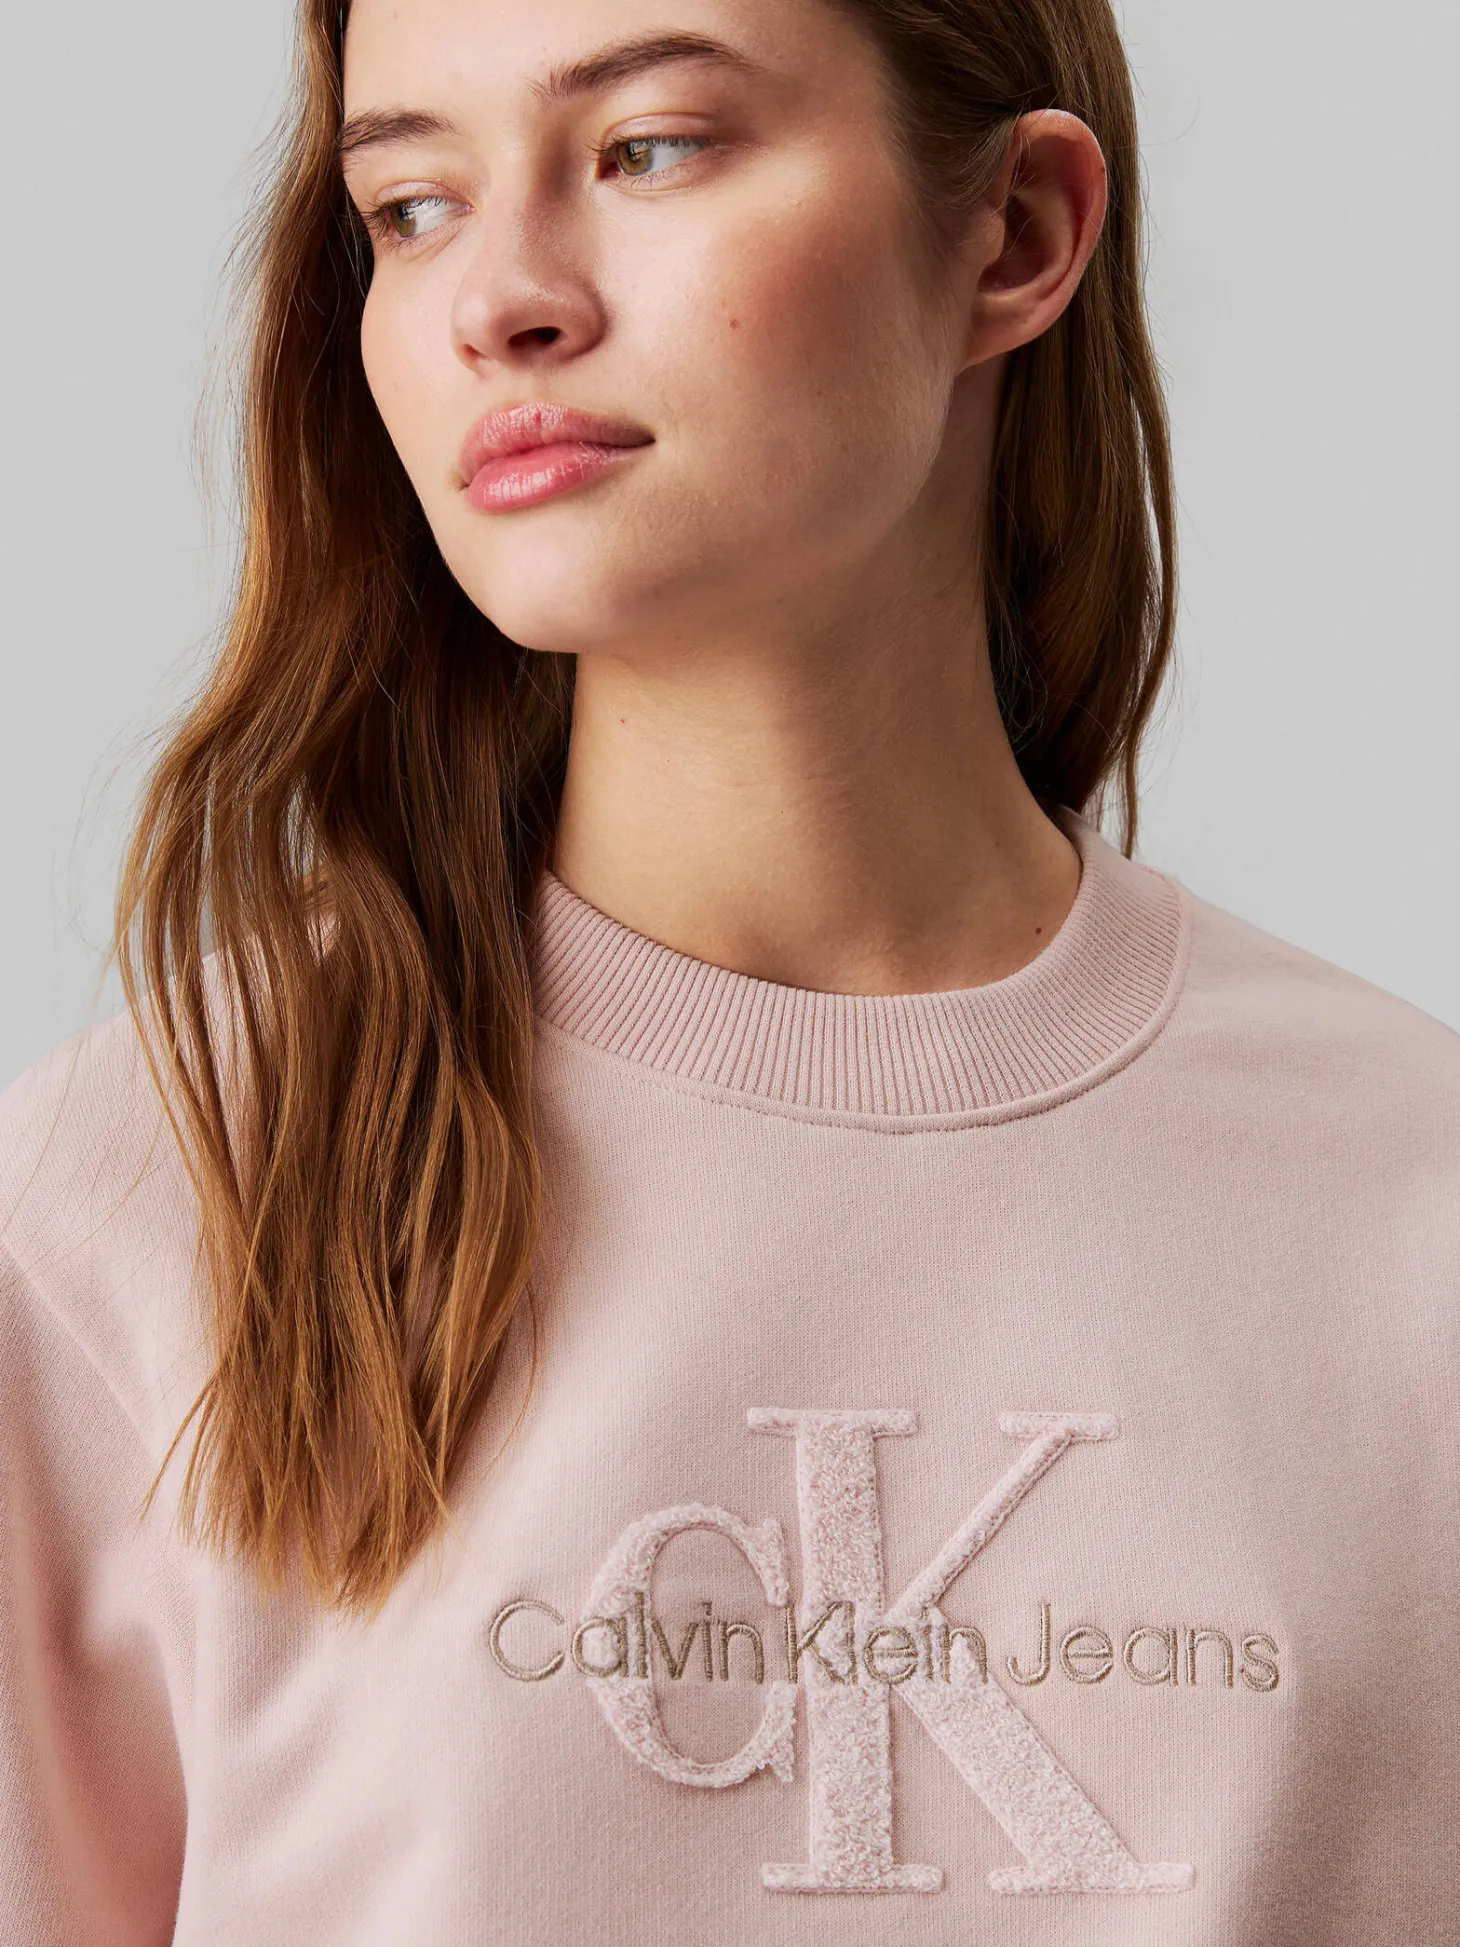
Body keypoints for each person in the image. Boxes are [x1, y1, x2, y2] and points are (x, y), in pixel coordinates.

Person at [1, 0, 1455, 1940]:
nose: (498, 301)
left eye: (649, 150)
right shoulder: (120, 1217)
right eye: (413, 206)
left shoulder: (1414, 1209)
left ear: (1016, 232)